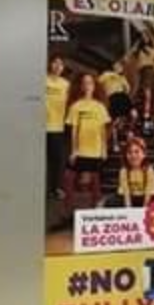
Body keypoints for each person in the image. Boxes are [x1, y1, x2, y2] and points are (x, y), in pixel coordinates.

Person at [64, 72, 111, 210]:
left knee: (95, 181)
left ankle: (95, 209)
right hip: (80, 150)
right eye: (85, 83)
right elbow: (74, 130)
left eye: (90, 83)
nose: (87, 85)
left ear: (95, 86)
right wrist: (73, 151)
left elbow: (103, 130)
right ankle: (68, 209)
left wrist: (104, 149)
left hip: (95, 150)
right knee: (68, 178)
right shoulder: (76, 106)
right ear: (81, 86)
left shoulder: (100, 107)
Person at [44, 55, 70, 199]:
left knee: (57, 160)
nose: (57, 66)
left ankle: (55, 188)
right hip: (39, 127)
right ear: (50, 64)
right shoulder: (42, 80)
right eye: (55, 63)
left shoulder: (66, 84)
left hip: (57, 127)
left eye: (61, 64)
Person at [116, 138, 154, 208]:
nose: (133, 155)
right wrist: (128, 208)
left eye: (137, 152)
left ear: (144, 154)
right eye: (130, 152)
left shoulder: (149, 170)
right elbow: (126, 191)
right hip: (129, 197)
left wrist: (144, 208)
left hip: (145, 197)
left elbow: (149, 190)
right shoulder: (124, 170)